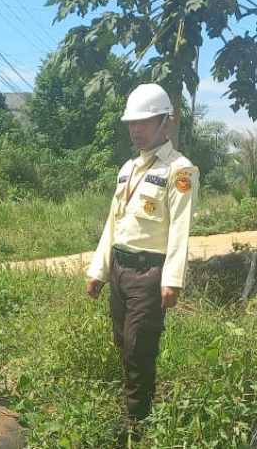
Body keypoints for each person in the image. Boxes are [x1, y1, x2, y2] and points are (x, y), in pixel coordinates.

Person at [85, 83, 199, 441]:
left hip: (149, 272)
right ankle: (138, 405)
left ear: (167, 122)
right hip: (119, 269)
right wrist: (98, 271)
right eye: (132, 122)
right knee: (123, 341)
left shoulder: (180, 170)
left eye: (146, 121)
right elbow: (112, 223)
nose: (137, 129)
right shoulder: (128, 169)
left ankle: (138, 421)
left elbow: (181, 227)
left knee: (138, 344)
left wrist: (172, 279)